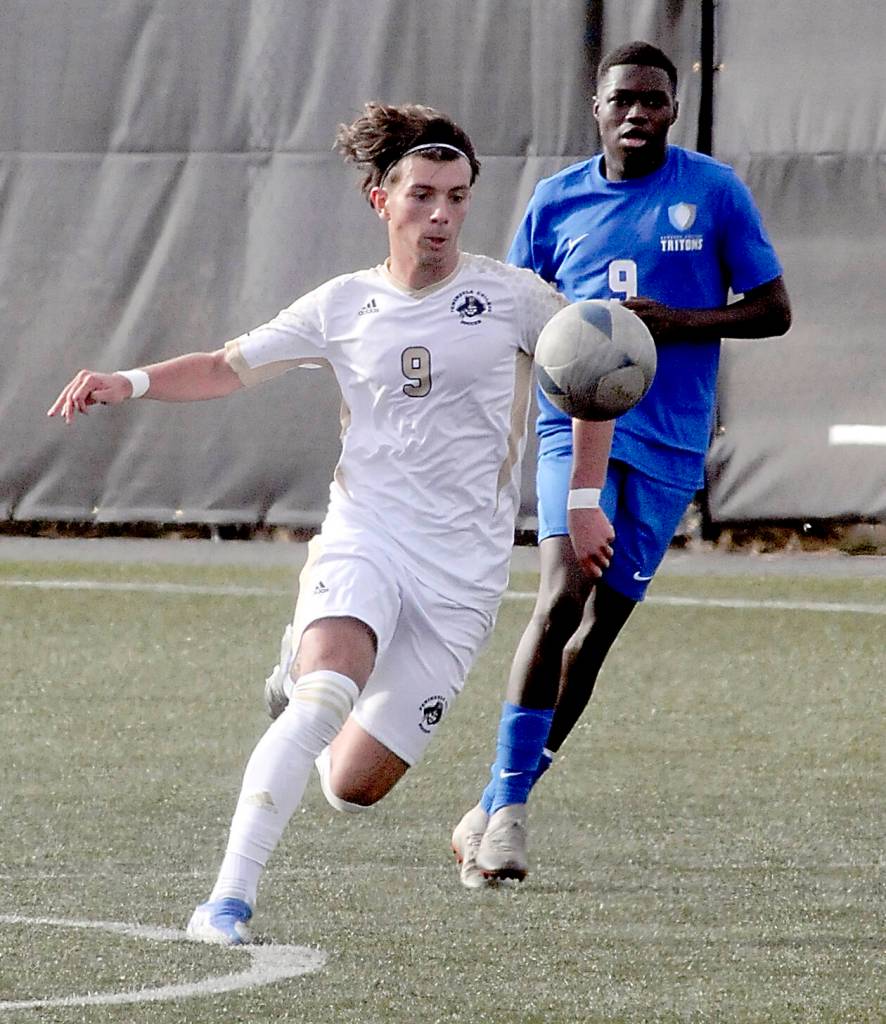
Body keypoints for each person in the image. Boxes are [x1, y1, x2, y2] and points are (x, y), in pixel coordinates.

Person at [48, 101, 617, 943]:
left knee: (353, 786)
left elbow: (593, 373)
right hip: (367, 536)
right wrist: (126, 381)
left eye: (457, 197)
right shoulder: (343, 305)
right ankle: (226, 902)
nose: (442, 215)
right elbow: (223, 368)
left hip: (462, 575)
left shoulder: (511, 296)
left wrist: (581, 501)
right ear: (378, 198)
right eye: (422, 194)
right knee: (324, 696)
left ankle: (297, 669)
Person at [451, 41, 792, 888]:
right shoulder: (556, 200)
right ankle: (509, 823)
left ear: (674, 109)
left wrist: (674, 322)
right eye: (621, 100)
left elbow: (774, 312)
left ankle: (497, 796)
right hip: (575, 428)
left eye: (653, 100)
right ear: (595, 108)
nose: (637, 113)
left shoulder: (712, 192)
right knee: (562, 597)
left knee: (598, 634)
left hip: (672, 438)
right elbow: (514, 317)